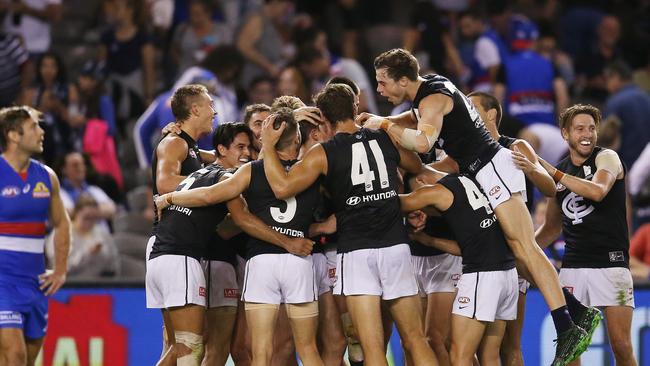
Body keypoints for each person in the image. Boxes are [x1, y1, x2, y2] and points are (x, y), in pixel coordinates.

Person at [359, 48, 597, 366]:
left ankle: (567, 326)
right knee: (514, 249)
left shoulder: (432, 98)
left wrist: (383, 125)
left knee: (523, 246)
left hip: (491, 165)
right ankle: (575, 309)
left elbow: (423, 143)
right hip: (483, 170)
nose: (379, 90)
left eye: (383, 83)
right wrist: (384, 121)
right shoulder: (429, 90)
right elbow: (414, 119)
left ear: (403, 80)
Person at [259, 84, 438, 366]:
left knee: (372, 348)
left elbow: (282, 188)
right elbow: (416, 167)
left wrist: (267, 145)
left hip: (356, 251)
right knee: (415, 339)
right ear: (355, 109)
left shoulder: (323, 153)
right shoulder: (384, 139)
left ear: (324, 119)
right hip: (395, 245)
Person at [155, 108, 323, 366]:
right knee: (309, 349)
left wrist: (170, 197)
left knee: (261, 351)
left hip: (261, 263)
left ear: (266, 140)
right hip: (298, 260)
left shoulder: (249, 171)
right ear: (298, 140)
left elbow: (210, 195)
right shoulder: (313, 167)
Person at [536, 104, 636, 366]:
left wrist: (553, 173)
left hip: (612, 265)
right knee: (572, 351)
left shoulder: (607, 158)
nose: (587, 134)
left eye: (591, 128)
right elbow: (551, 228)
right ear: (565, 134)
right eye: (579, 128)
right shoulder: (559, 170)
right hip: (573, 268)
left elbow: (598, 191)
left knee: (622, 345)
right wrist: (521, 249)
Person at [468, 91, 556, 366]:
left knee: (510, 346)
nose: (467, 114)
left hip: (513, 257)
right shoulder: (465, 153)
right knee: (477, 347)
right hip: (479, 256)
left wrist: (532, 168)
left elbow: (550, 187)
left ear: (491, 114)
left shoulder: (516, 145)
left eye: (473, 108)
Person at [400, 169, 518, 366]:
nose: (421, 203)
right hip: (507, 271)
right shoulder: (469, 181)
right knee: (489, 355)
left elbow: (396, 202)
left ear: (422, 181)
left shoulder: (442, 191)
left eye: (418, 195)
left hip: (482, 273)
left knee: (459, 354)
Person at [148, 84, 216, 365]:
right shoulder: (175, 143)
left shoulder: (193, 149)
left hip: (170, 248)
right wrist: (210, 183)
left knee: (178, 345)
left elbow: (226, 161)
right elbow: (164, 184)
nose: (214, 110)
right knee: (189, 347)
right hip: (175, 248)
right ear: (195, 109)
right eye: (210, 104)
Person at [0, 106, 70, 365]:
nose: (42, 132)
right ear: (13, 135)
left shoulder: (47, 176)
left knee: (27, 359)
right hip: (2, 281)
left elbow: (62, 224)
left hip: (35, 283)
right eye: (33, 127)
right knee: (14, 355)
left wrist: (61, 269)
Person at [201, 123, 254, 366]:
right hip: (215, 262)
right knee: (214, 347)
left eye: (249, 147)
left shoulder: (236, 175)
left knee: (235, 348)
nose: (246, 152)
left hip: (232, 263)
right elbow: (221, 230)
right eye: (240, 147)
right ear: (221, 149)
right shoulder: (219, 177)